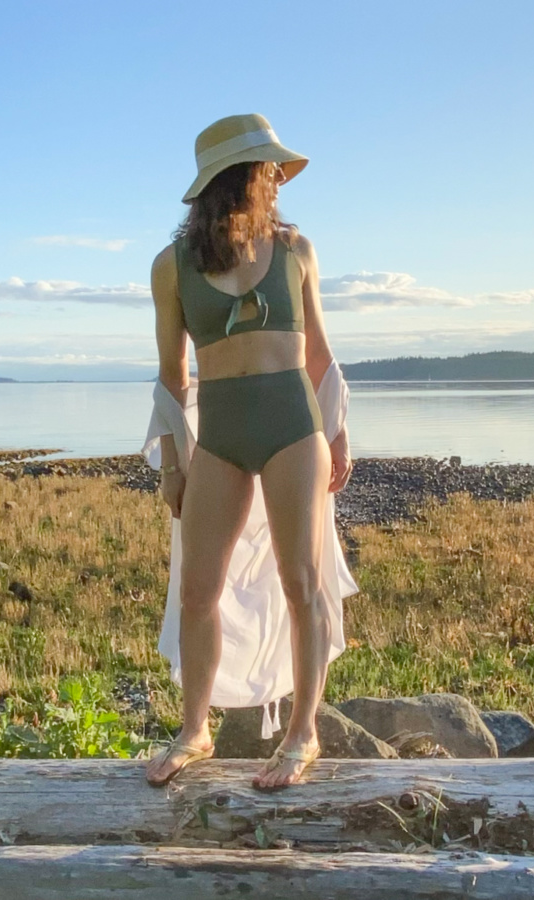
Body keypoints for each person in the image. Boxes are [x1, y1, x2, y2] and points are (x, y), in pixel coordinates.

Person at [142, 114, 356, 791]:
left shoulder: (295, 251)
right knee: (199, 591)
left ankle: (303, 735)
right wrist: (174, 465)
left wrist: (338, 431)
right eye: (262, 169)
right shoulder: (172, 267)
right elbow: (174, 374)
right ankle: (194, 730)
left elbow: (318, 352)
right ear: (233, 180)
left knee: (301, 584)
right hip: (222, 437)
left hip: (294, 427)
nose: (271, 179)